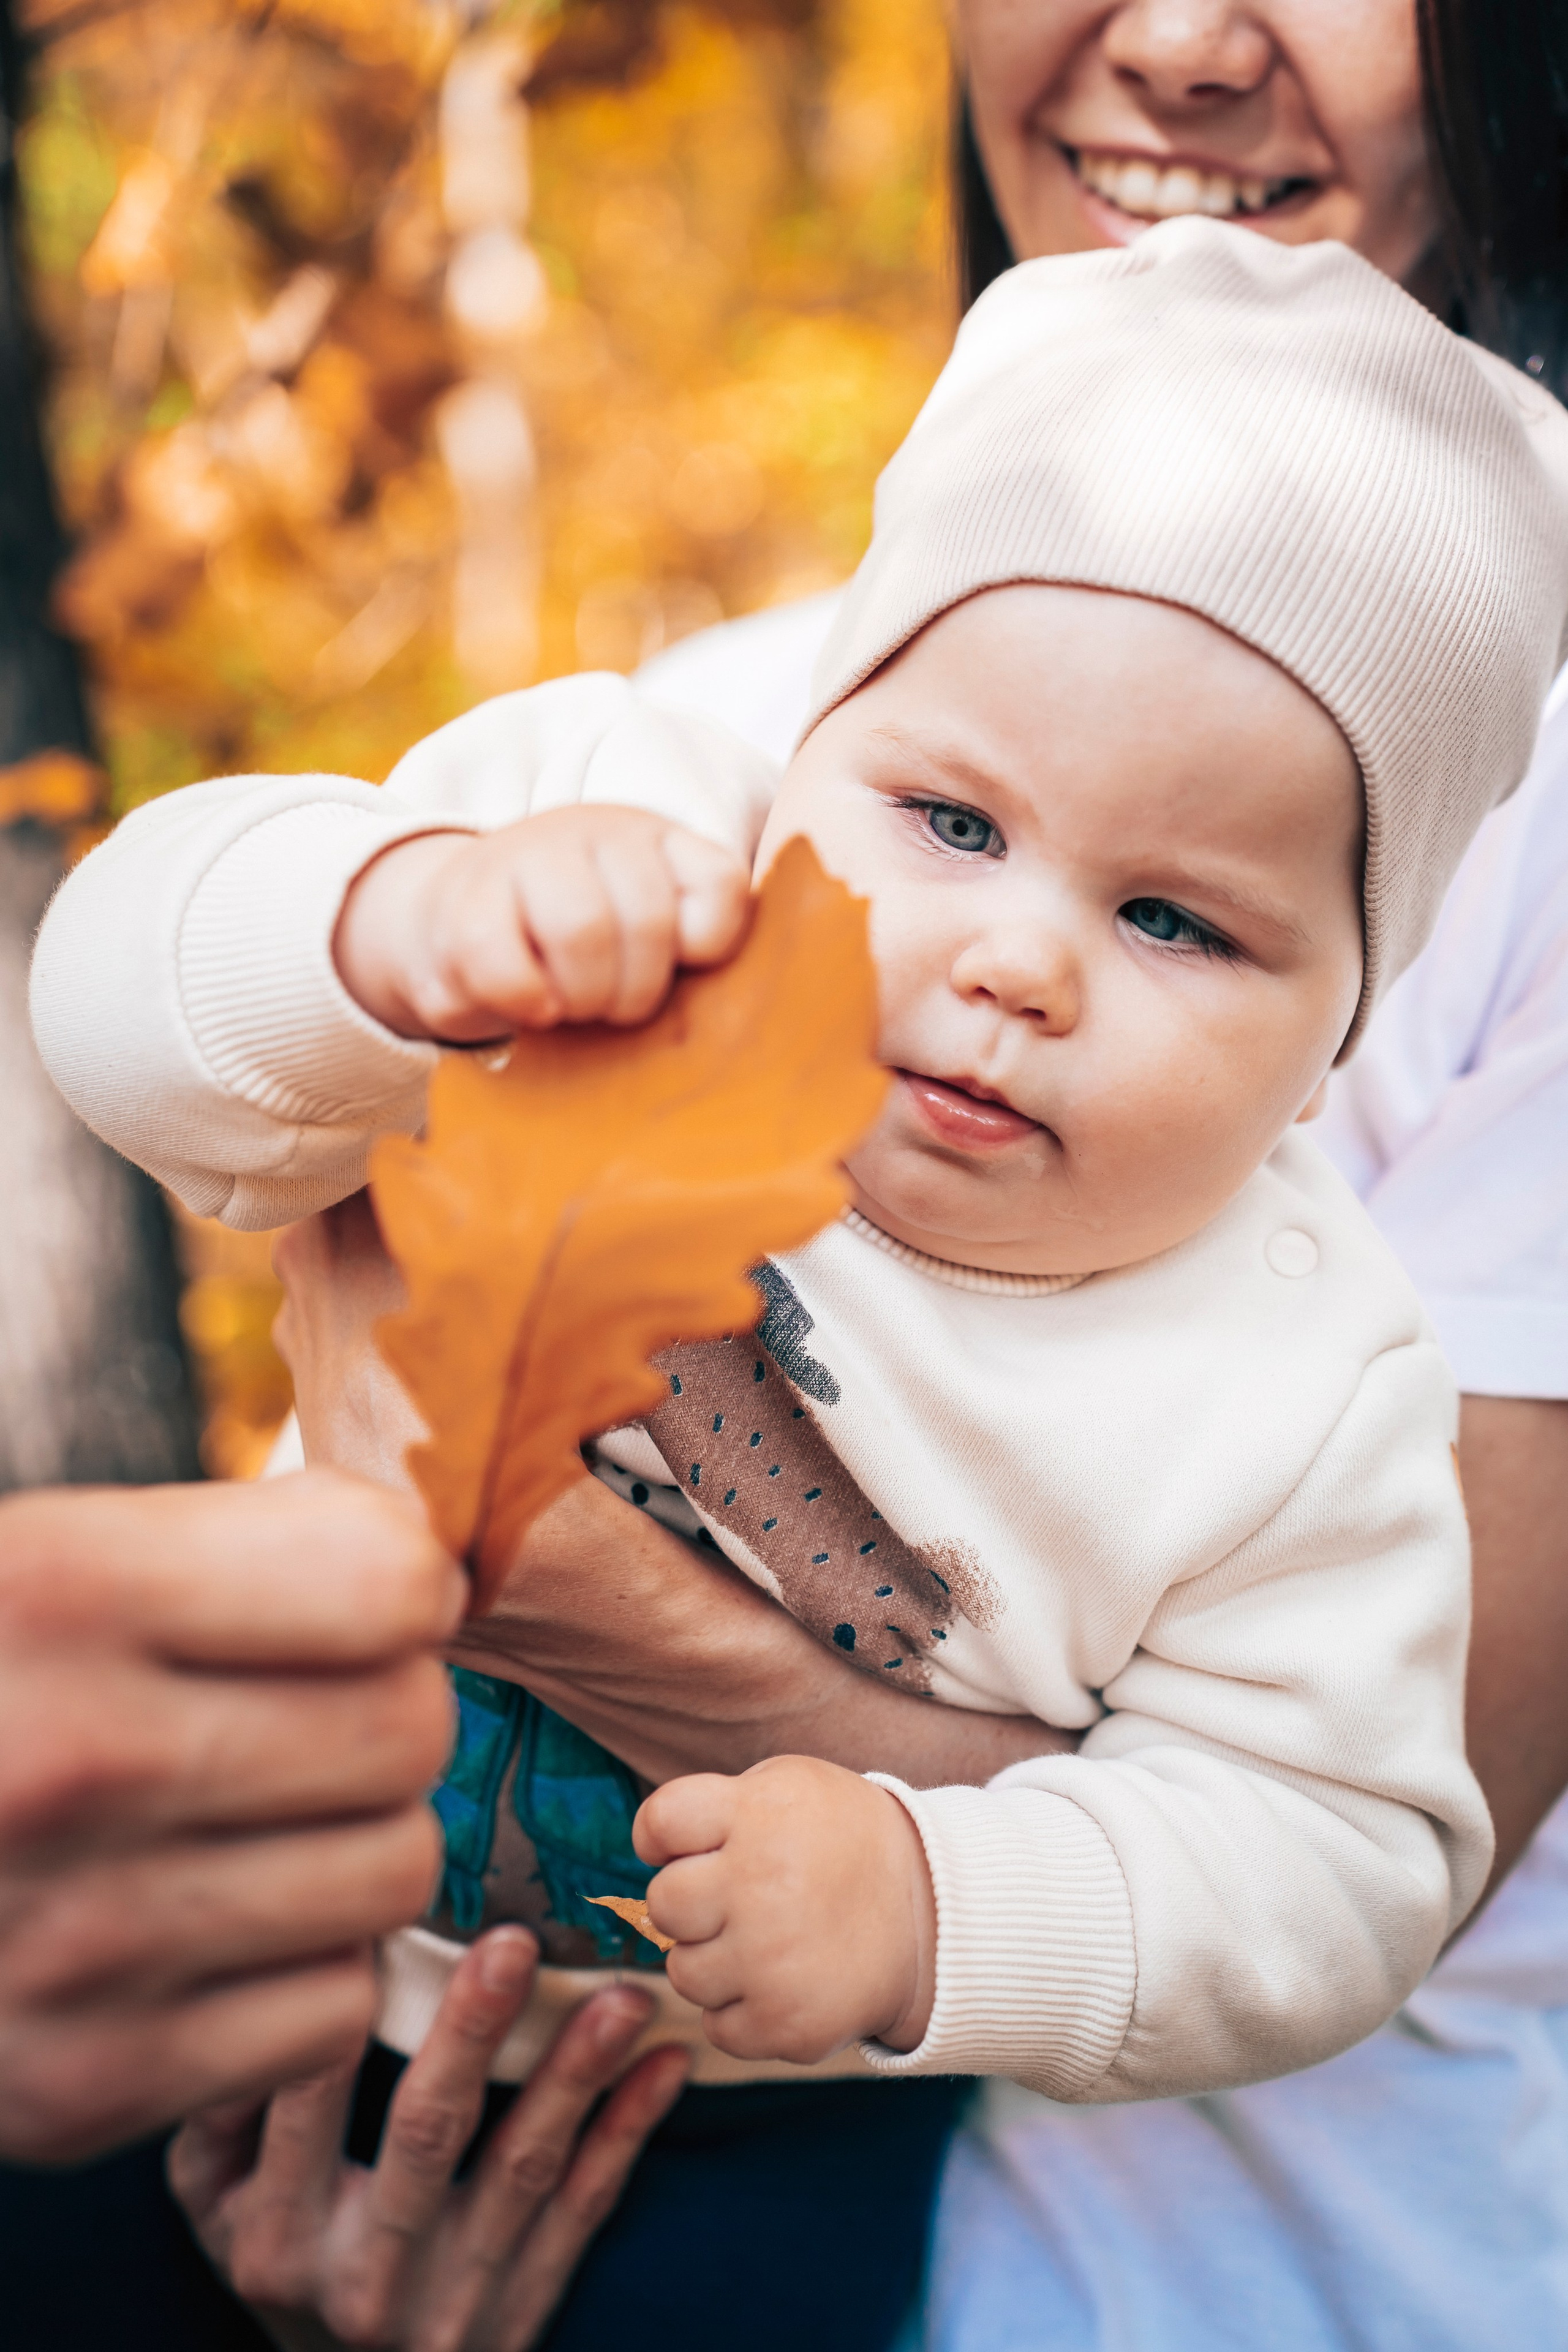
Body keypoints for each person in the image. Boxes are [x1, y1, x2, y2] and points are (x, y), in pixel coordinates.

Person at [29, 216, 1567, 2337]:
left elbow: (1342, 1865)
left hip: (729, 2117)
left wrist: (945, 1903)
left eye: (1177, 924)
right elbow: (113, 999)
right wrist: (378, 928)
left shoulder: (1299, 1387)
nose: (1019, 960)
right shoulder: (613, 863)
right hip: (217, 1899)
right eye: (947, 822)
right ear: (811, 751)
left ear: (1336, 1045)